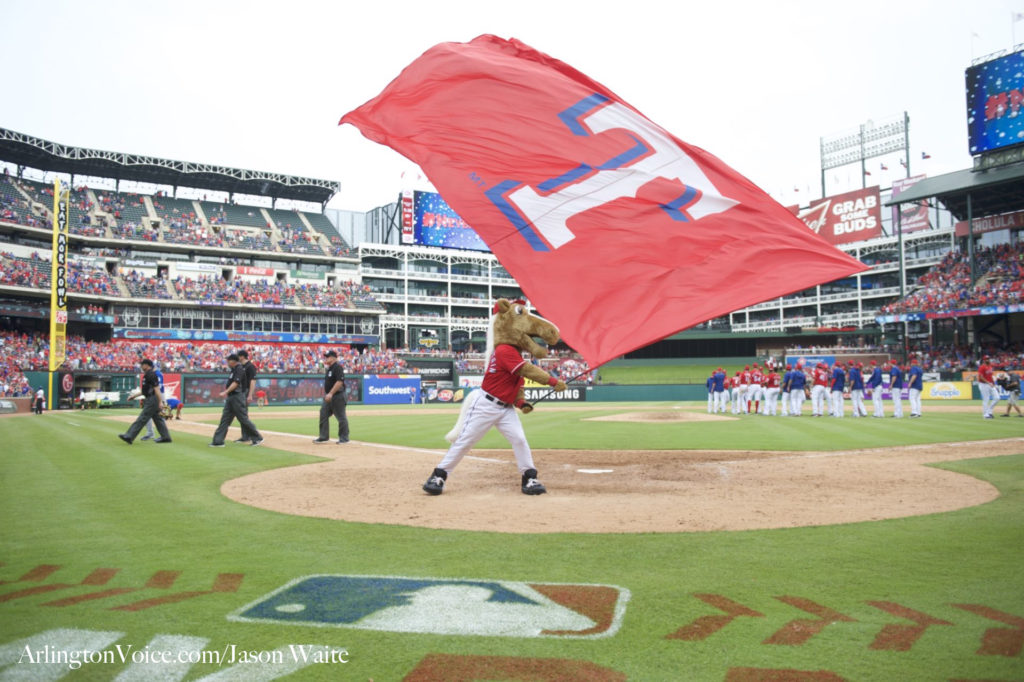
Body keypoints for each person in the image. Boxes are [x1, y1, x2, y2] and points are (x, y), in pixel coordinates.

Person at [209, 353, 263, 447]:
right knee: (225, 419)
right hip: (231, 397)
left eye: (228, 361)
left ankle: (257, 437)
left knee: (243, 418)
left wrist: (225, 392)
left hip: (237, 397)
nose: (227, 363)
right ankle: (218, 441)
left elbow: (236, 383)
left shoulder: (239, 369)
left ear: (232, 361)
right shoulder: (234, 370)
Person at [118, 359, 171, 444]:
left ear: (147, 365)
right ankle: (166, 437)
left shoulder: (151, 375)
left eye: (142, 364)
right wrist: (134, 396)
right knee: (158, 419)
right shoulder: (147, 375)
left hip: (153, 399)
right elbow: (145, 391)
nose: (141, 366)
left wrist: (160, 402)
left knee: (143, 417)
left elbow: (157, 389)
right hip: (152, 398)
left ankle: (129, 436)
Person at [314, 350, 349, 444]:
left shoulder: (338, 367)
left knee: (341, 417)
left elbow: (339, 382)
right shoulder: (329, 368)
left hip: (338, 396)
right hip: (329, 397)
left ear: (333, 358)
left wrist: (331, 393)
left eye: (328, 357)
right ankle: (323, 436)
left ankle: (344, 438)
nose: (326, 358)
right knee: (323, 413)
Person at [234, 350, 258, 443]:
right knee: (242, 414)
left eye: (238, 356)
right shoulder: (240, 366)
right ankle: (245, 436)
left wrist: (250, 395)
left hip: (246, 391)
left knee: (243, 415)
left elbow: (253, 381)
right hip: (241, 391)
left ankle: (251, 436)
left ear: (242, 357)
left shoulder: (250, 366)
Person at [140, 363, 165, 441]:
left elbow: (155, 388)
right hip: (156, 395)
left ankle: (162, 435)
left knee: (159, 415)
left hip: (157, 395)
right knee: (149, 414)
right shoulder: (157, 373)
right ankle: (151, 433)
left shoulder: (154, 374)